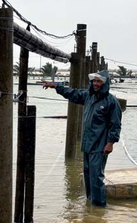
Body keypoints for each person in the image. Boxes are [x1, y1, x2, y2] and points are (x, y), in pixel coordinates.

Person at [42, 70, 122, 207]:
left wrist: (111, 143)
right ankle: (90, 207)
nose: (96, 84)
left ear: (105, 83)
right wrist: (55, 86)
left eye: (99, 81)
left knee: (96, 177)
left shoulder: (111, 101)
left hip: (100, 145)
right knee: (87, 175)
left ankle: (99, 206)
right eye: (94, 81)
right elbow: (72, 93)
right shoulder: (88, 96)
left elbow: (115, 124)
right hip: (87, 144)